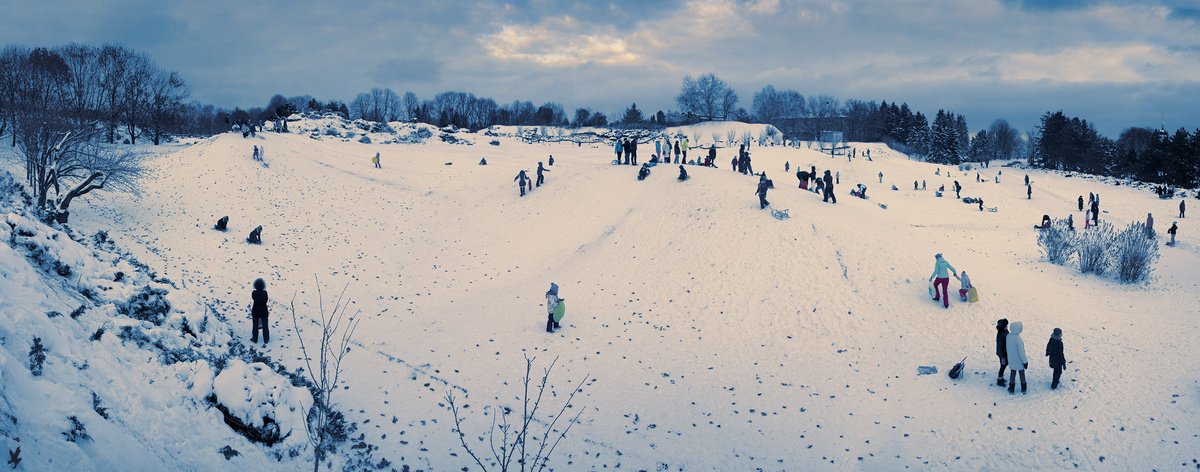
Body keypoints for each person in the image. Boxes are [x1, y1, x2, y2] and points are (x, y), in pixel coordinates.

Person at [1006, 321, 1028, 394]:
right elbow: (1021, 352)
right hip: (1019, 361)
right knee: (1022, 374)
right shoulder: (1018, 339)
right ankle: (1023, 388)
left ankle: (1011, 389)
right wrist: (1025, 362)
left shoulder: (1008, 336)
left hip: (1011, 360)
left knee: (1012, 374)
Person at [250, 278, 269, 345]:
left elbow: (253, 298)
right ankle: (266, 339)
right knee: (265, 326)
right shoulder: (265, 293)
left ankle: (255, 339)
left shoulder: (254, 293)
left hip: (255, 311)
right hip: (264, 311)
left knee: (255, 326)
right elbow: (266, 300)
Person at [995, 319, 1009, 387]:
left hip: (1004, 353)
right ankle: (999, 380)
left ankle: (1001, 378)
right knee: (1003, 366)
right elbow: (1001, 346)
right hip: (1002, 354)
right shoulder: (1002, 334)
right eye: (1006, 326)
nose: (1007, 327)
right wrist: (1002, 355)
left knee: (1004, 365)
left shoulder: (1004, 332)